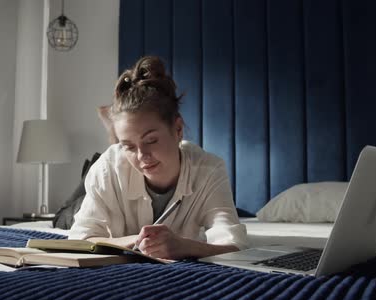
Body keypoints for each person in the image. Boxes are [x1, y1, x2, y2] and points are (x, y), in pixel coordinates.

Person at [69, 56, 248, 260]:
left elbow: (235, 245)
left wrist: (182, 247)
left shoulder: (209, 169)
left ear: (178, 129)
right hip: (101, 186)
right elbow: (79, 239)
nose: (142, 156)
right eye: (128, 145)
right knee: (64, 218)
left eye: (151, 140)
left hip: (111, 192)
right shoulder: (107, 167)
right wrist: (138, 240)